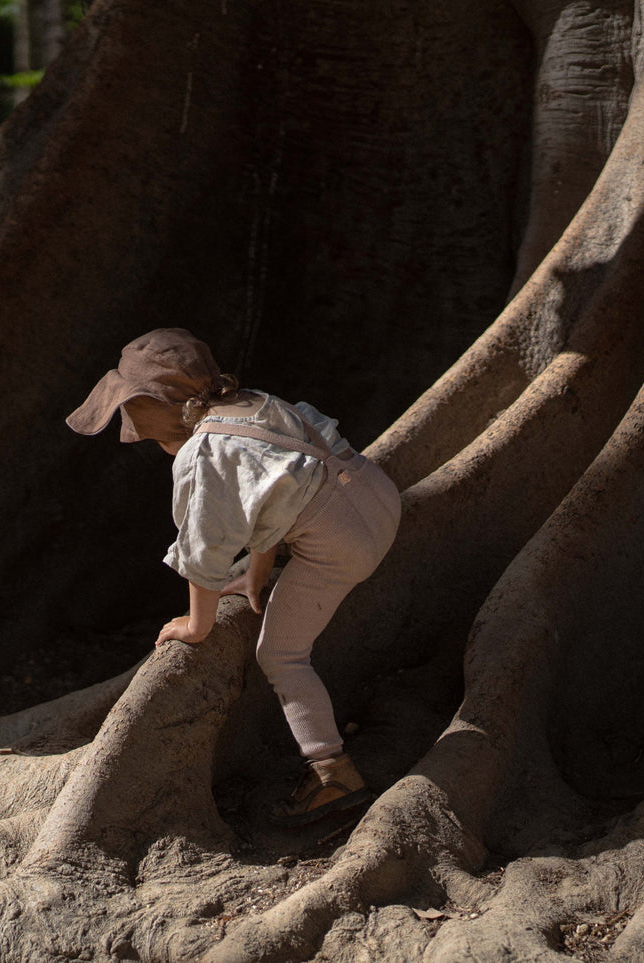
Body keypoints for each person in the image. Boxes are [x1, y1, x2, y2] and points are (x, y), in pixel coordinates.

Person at [67, 329, 401, 825]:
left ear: (155, 410)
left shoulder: (204, 455)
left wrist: (196, 627)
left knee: (281, 654)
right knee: (293, 535)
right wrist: (256, 575)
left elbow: (204, 551)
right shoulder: (251, 404)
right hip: (378, 499)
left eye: (134, 414)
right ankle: (329, 765)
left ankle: (333, 772)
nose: (132, 426)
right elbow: (268, 500)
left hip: (342, 546)